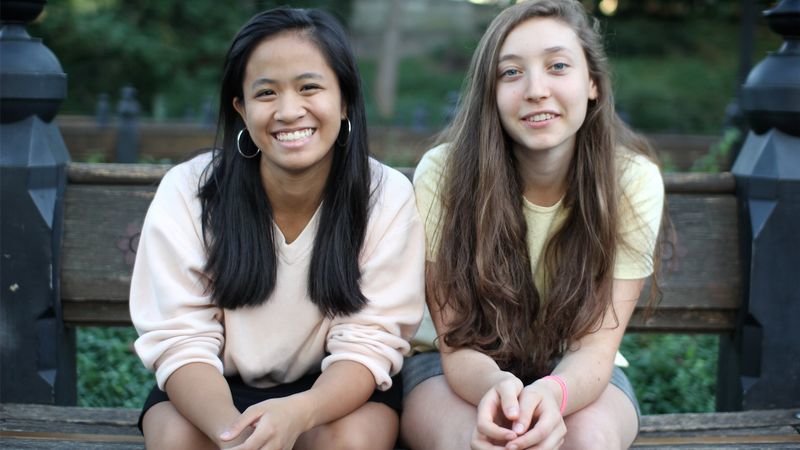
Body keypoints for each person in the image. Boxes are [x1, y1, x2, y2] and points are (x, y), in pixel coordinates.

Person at [129, 7, 425, 450]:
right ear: (241, 108)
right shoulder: (189, 190)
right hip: (214, 387)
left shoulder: (384, 196)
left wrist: (299, 413)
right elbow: (180, 340)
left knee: (349, 441)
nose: (288, 111)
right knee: (177, 437)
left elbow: (369, 344)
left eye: (309, 87)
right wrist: (234, 435)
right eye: (266, 92)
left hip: (334, 390)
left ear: (344, 99)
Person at [400, 1, 667, 449]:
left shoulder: (630, 180)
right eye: (511, 73)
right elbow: (456, 345)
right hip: (456, 369)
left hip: (574, 370)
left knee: (588, 442)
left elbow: (595, 350)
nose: (536, 90)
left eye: (558, 66)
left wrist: (552, 392)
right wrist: (499, 389)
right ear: (490, 92)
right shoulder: (444, 173)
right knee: (477, 442)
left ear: (593, 83)